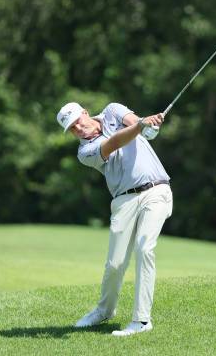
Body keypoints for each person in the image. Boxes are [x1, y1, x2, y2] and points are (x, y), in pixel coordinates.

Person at [56, 101, 173, 336]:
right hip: (123, 201)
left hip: (157, 190)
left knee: (144, 248)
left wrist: (149, 126)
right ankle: (104, 311)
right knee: (115, 264)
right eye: (72, 128)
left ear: (85, 113)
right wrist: (142, 126)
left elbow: (136, 124)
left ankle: (141, 321)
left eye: (78, 121)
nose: (78, 128)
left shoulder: (112, 110)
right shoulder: (84, 152)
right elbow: (114, 142)